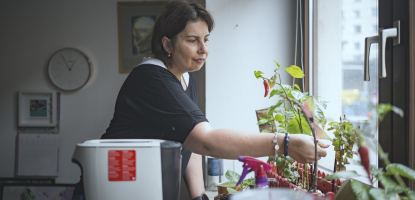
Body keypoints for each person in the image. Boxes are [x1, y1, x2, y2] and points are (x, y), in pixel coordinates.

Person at [102, 1, 329, 200]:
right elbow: (206, 141)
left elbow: (189, 140)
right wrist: (287, 144)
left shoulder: (184, 78)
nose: (204, 50)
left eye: (206, 40)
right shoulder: (152, 78)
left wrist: (198, 195)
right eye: (193, 40)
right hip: (117, 188)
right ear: (168, 45)